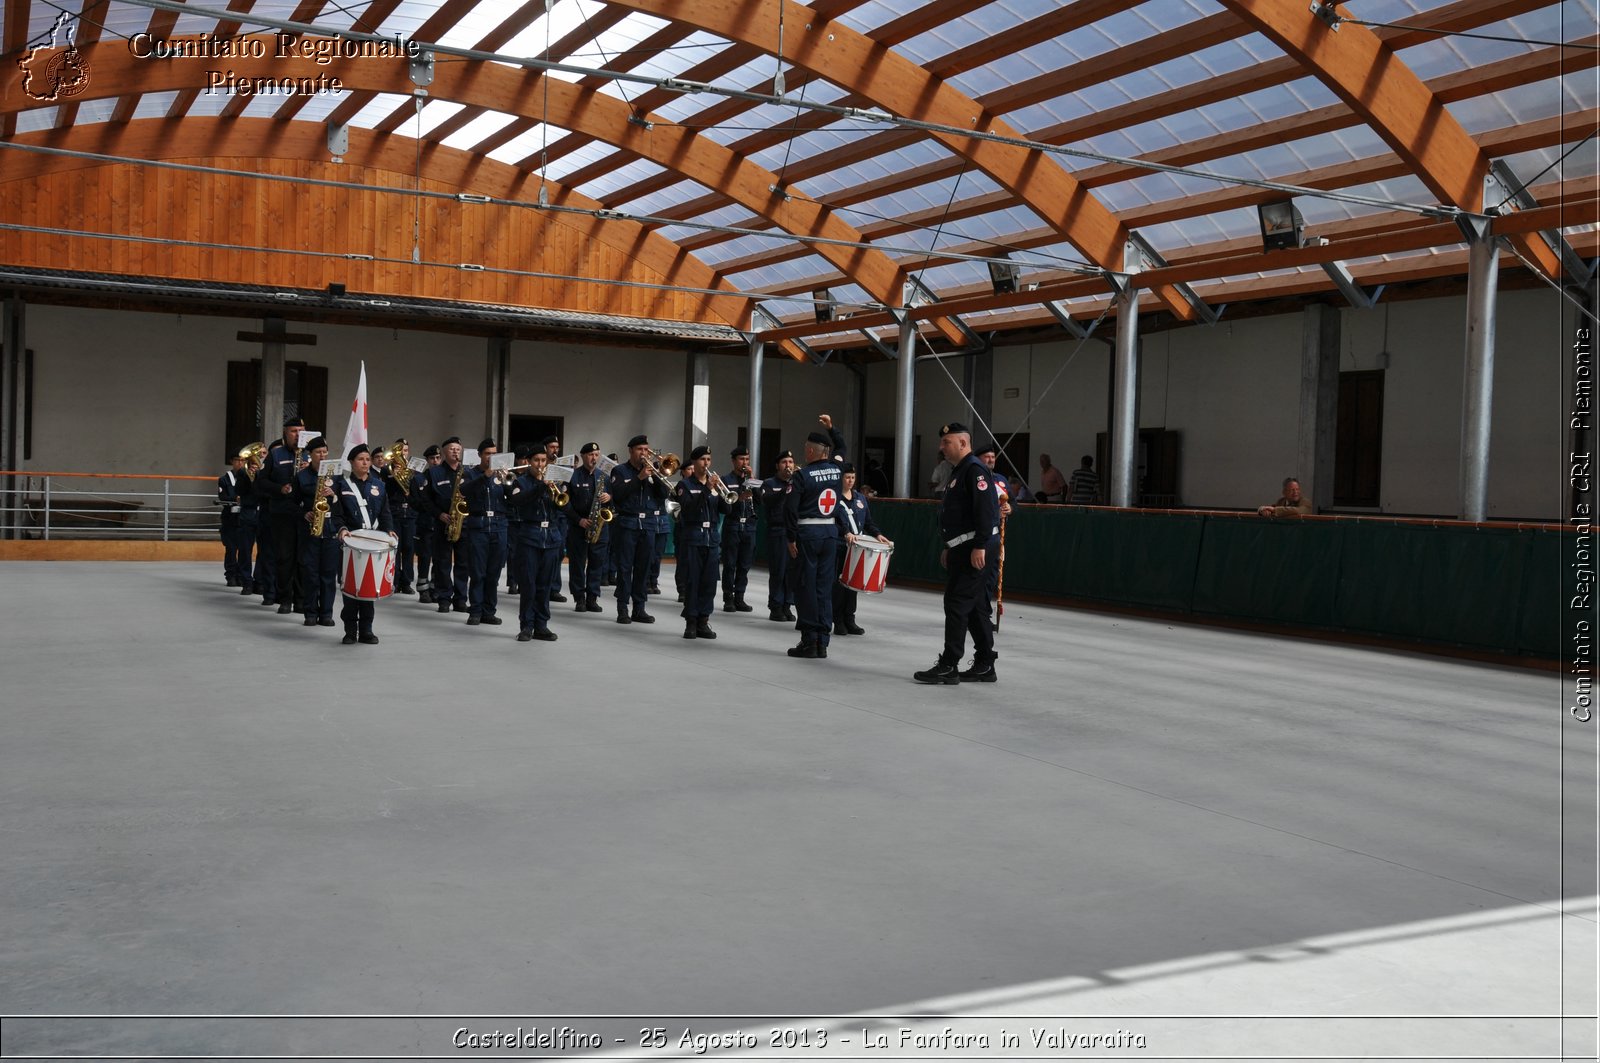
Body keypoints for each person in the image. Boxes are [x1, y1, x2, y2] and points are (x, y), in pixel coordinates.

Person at [915, 422, 1000, 684]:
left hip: (974, 547)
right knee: (973, 606)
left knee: (956, 603)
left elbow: (986, 511)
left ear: (962, 443)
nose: (942, 447)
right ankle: (985, 663)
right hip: (962, 546)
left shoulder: (974, 470)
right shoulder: (959, 471)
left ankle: (949, 664)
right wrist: (950, 546)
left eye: (946, 442)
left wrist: (980, 546)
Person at [783, 432, 843, 659]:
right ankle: (823, 641)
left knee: (805, 586)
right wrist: (832, 429)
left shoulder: (802, 476)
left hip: (807, 534)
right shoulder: (838, 470)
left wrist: (790, 538)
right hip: (830, 533)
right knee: (824, 588)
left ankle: (809, 640)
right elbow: (842, 447)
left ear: (809, 451)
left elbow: (790, 509)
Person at [331, 443, 395, 645]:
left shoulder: (379, 485)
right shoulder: (342, 486)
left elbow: (385, 512)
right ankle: (350, 631)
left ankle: (366, 629)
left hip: (373, 541)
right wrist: (341, 529)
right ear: (351, 462)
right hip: (351, 543)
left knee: (369, 589)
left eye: (368, 459)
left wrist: (389, 530)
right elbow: (337, 514)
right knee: (351, 588)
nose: (365, 463)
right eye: (361, 459)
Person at [607, 434, 668, 624]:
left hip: (648, 524)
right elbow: (618, 495)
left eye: (646, 450)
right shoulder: (620, 471)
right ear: (631, 451)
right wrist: (639, 478)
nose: (644, 453)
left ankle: (639, 608)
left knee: (644, 567)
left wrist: (658, 476)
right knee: (625, 568)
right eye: (640, 450)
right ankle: (623, 608)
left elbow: (663, 495)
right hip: (627, 523)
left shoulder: (653, 471)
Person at [506, 446, 564, 642]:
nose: (540, 464)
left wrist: (560, 490)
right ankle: (526, 626)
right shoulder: (520, 482)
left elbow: (564, 506)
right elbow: (518, 501)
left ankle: (542, 625)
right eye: (537, 460)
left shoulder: (553, 482)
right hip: (529, 536)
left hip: (551, 537)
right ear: (529, 462)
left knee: (545, 585)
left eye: (543, 460)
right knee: (529, 584)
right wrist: (541, 486)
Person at [675, 446, 730, 639]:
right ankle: (691, 621)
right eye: (702, 459)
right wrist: (707, 490)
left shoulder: (714, 485)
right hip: (693, 538)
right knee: (693, 581)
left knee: (709, 583)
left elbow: (726, 510)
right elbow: (689, 510)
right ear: (694, 462)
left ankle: (703, 621)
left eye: (708, 459)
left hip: (712, 539)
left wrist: (725, 494)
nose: (706, 463)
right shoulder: (685, 486)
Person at [831, 462, 890, 636]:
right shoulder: (834, 499)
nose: (850, 481)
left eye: (852, 478)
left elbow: (868, 522)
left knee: (854, 584)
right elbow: (833, 521)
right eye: (847, 478)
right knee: (840, 584)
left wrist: (878, 534)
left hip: (857, 547)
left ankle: (850, 619)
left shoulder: (860, 499)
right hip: (841, 546)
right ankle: (838, 620)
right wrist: (845, 533)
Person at [257, 416, 306, 613]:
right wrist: (280, 489)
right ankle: (285, 599)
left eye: (301, 431)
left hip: (304, 514)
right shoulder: (275, 455)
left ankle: (301, 600)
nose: (298, 435)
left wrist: (311, 471)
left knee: (303, 559)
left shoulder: (311, 456)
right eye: (294, 431)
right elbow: (261, 482)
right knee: (285, 558)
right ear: (286, 433)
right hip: (282, 514)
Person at [460, 437, 508, 627]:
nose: (491, 457)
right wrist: (485, 476)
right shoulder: (470, 474)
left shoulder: (501, 475)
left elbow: (512, 499)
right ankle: (475, 611)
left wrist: (507, 482)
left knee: (493, 573)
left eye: (494, 454)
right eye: (488, 454)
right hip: (478, 525)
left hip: (499, 525)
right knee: (478, 572)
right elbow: (464, 490)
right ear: (480, 455)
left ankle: (489, 611)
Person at [294, 436, 340, 629]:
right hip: (310, 533)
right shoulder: (301, 477)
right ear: (310, 455)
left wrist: (334, 496)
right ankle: (310, 613)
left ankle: (326, 614)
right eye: (318, 452)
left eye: (324, 452)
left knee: (329, 575)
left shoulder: (336, 477)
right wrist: (304, 513)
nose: (322, 455)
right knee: (311, 574)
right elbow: (291, 504)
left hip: (330, 532)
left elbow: (343, 505)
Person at [421, 438, 470, 613]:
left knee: (463, 564)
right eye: (451, 449)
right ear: (444, 452)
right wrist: (439, 514)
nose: (455, 452)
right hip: (442, 523)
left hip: (463, 524)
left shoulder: (467, 471)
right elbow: (425, 500)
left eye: (458, 449)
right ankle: (443, 598)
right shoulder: (434, 473)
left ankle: (461, 599)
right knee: (442, 563)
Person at [564, 442, 611, 614]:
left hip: (599, 527)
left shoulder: (604, 477)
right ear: (583, 456)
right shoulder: (572, 476)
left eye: (597, 454)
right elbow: (565, 503)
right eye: (591, 455)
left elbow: (614, 503)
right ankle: (579, 598)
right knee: (577, 564)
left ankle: (593, 598)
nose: (594, 458)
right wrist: (579, 520)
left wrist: (609, 496)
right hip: (579, 526)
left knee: (597, 563)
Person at [975, 441, 1014, 613]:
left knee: (992, 575)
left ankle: (984, 612)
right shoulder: (976, 480)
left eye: (993, 457)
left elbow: (1013, 501)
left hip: (997, 535)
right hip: (979, 534)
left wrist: (1010, 508)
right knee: (978, 576)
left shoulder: (1001, 480)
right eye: (987, 457)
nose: (991, 460)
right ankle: (977, 612)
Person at [720, 445, 758, 613]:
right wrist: (738, 499)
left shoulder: (752, 479)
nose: (745, 462)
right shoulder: (726, 480)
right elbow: (723, 506)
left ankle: (740, 597)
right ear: (734, 461)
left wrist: (753, 480)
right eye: (741, 459)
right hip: (733, 524)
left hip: (749, 525)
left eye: (747, 459)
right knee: (730, 564)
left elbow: (762, 500)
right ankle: (728, 598)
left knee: (745, 564)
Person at [761, 450, 797, 622]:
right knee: (778, 570)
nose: (788, 465)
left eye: (790, 462)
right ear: (778, 466)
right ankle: (775, 606)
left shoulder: (797, 483)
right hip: (777, 531)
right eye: (784, 462)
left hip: (793, 531)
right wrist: (787, 488)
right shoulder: (769, 483)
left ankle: (787, 605)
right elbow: (768, 501)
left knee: (791, 571)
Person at [381, 439, 419, 595]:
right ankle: (394, 581)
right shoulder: (386, 470)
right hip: (395, 512)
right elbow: (386, 491)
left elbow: (416, 491)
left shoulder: (413, 469)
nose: (403, 453)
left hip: (409, 513)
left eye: (405, 450)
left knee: (409, 548)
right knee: (395, 548)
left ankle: (407, 581)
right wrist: (394, 475)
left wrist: (408, 476)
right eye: (400, 450)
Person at [413, 444, 441, 602]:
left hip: (440, 524)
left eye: (438, 458)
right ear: (427, 460)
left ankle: (435, 587)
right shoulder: (419, 479)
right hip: (424, 522)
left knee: (439, 557)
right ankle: (423, 588)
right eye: (432, 458)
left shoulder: (444, 477)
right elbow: (415, 502)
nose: (435, 461)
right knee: (424, 556)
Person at [216, 453, 246, 586]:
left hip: (244, 518)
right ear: (232, 461)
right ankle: (231, 575)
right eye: (237, 460)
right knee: (231, 548)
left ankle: (242, 575)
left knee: (244, 549)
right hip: (230, 518)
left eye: (243, 460)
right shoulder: (224, 479)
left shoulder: (249, 477)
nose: (240, 463)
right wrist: (235, 499)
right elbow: (222, 497)